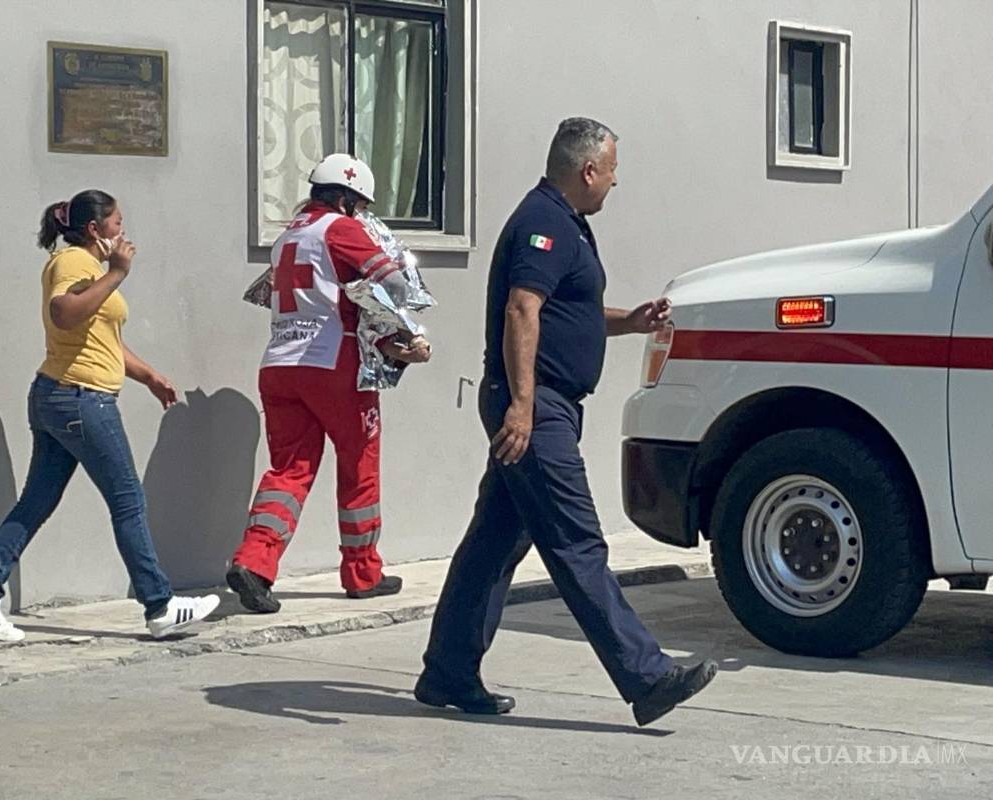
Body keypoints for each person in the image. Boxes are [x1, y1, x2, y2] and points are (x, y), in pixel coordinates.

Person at [415, 118, 716, 727]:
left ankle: (447, 671)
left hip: (542, 405)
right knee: (577, 543)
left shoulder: (564, 223)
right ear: (587, 170)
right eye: (610, 172)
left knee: (494, 542)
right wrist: (523, 406)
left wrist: (629, 322)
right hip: (536, 409)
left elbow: (561, 310)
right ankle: (647, 676)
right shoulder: (544, 222)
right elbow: (522, 309)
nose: (612, 183)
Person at [0, 190, 219, 642]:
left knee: (37, 501)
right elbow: (64, 314)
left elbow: (102, 340)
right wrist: (117, 273)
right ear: (95, 230)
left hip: (62, 395)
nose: (124, 231)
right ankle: (159, 605)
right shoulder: (75, 262)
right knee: (128, 499)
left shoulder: (88, 268)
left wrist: (148, 375)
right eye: (117, 223)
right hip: (81, 399)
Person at [227, 154, 431, 614]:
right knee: (360, 464)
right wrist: (401, 335)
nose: (360, 214)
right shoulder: (342, 230)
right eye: (358, 204)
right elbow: (393, 286)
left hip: (279, 364)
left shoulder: (288, 237)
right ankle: (363, 573)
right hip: (333, 365)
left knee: (289, 471)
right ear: (344, 197)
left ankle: (254, 563)